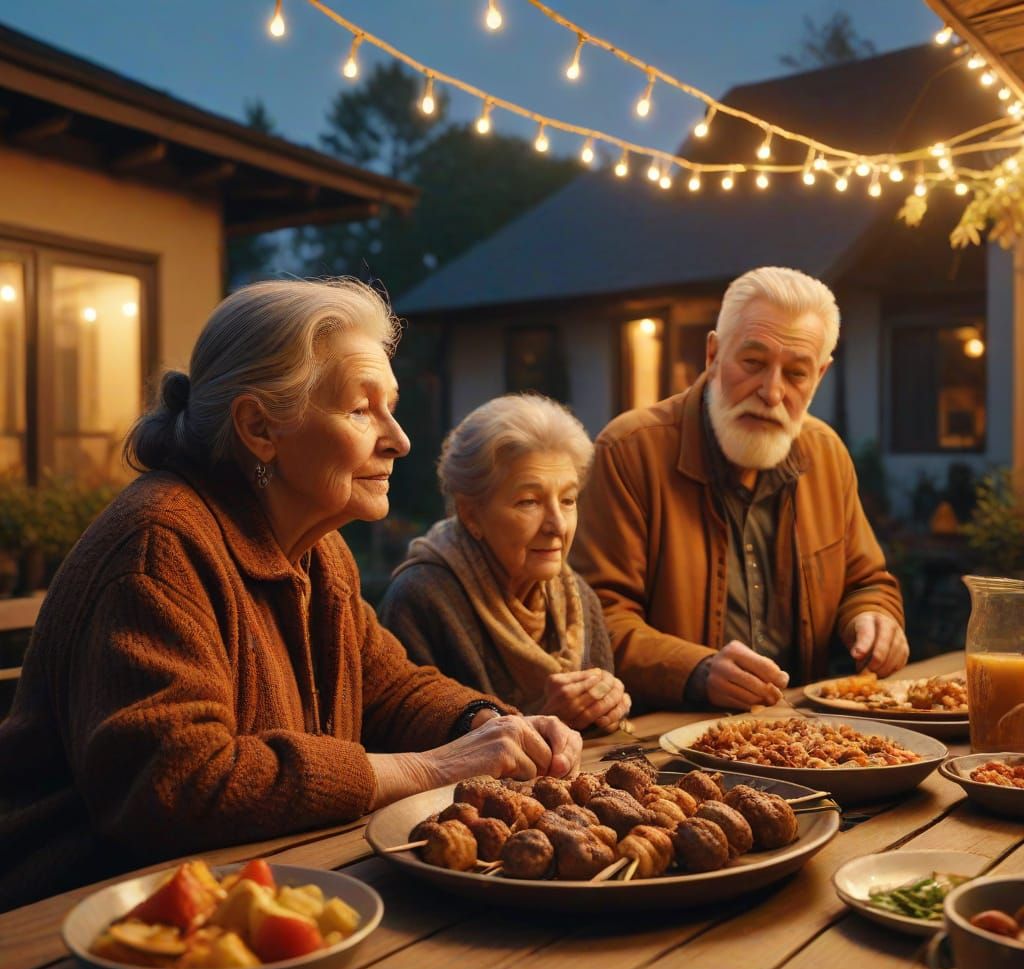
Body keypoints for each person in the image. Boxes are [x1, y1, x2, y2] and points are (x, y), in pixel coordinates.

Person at [0, 279, 580, 911]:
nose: (399, 439)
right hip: (86, 916)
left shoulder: (316, 551)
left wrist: (488, 725)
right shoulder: (158, 546)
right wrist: (432, 768)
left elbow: (389, 685)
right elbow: (176, 785)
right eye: (362, 410)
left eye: (390, 407)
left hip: (260, 882)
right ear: (258, 426)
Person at [573, 266, 908, 712]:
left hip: (804, 733)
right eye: (753, 363)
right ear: (712, 355)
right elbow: (596, 620)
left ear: (820, 375)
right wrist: (698, 670)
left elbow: (866, 582)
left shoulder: (826, 455)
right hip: (666, 739)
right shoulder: (631, 450)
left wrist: (875, 618)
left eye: (796, 374)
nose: (771, 391)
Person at [380, 394, 630, 733]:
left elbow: (600, 742)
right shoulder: (422, 598)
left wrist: (608, 708)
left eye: (568, 500)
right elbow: (413, 748)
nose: (557, 525)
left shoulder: (578, 599)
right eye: (529, 502)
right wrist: (543, 721)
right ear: (471, 515)